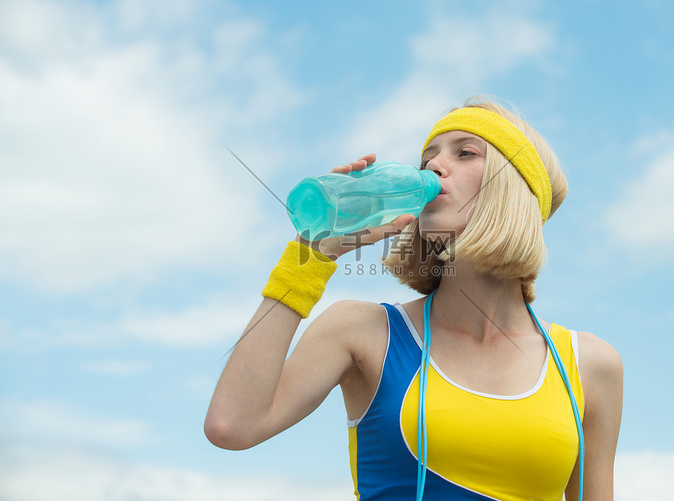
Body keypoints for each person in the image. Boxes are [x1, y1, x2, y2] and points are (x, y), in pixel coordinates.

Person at [204, 96, 624, 501]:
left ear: (513, 188)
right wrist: (310, 254)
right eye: (427, 159)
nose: (434, 165)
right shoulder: (364, 332)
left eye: (465, 153)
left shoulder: (589, 365)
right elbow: (232, 425)